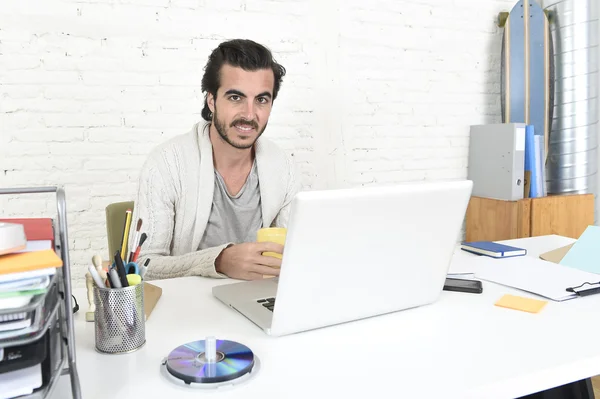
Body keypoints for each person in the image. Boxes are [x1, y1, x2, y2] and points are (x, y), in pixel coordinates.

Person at [130, 39, 301, 281]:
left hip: (257, 302)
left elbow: (294, 254)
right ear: (211, 100)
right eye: (235, 98)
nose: (249, 114)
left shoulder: (284, 168)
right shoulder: (167, 164)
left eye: (261, 100)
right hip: (189, 307)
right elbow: (141, 264)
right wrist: (218, 261)